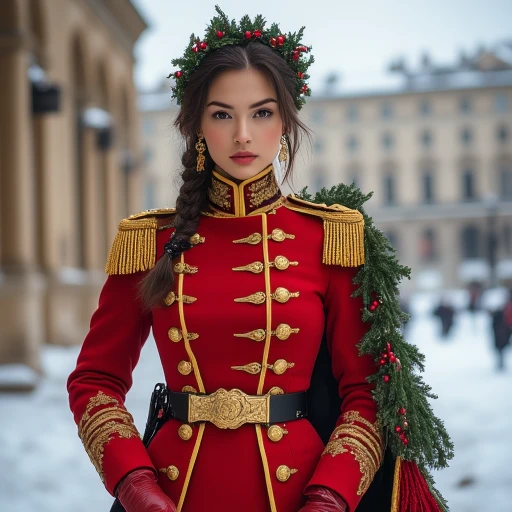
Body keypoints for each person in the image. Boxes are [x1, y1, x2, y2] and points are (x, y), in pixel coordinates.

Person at [67, 6, 452, 512]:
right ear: (197, 128)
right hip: (174, 493)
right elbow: (95, 380)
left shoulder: (330, 237)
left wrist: (330, 496)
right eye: (222, 114)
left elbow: (366, 394)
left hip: (298, 493)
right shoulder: (150, 242)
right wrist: (135, 484)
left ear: (286, 123)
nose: (243, 134)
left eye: (262, 113)